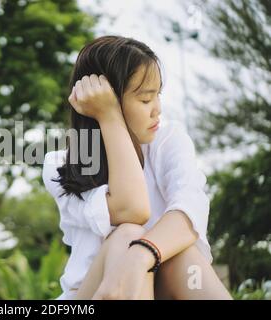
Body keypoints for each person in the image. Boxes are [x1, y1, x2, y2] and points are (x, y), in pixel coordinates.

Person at [42, 35, 232, 300]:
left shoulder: (169, 139)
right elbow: (133, 210)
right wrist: (109, 117)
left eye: (158, 96)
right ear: (105, 102)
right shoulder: (60, 165)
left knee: (180, 252)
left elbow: (189, 212)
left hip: (160, 284)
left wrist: (142, 255)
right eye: (145, 100)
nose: (157, 110)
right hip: (89, 294)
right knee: (128, 234)